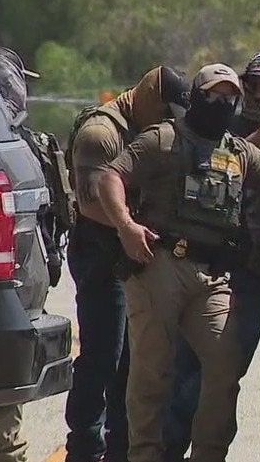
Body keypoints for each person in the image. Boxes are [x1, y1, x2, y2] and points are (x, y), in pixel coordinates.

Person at [95, 63, 260, 462]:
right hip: (160, 264)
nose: (222, 103)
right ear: (197, 97)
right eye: (214, 95)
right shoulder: (163, 140)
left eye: (229, 97)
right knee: (153, 374)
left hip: (213, 275)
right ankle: (145, 455)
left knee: (223, 368)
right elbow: (111, 178)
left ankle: (209, 453)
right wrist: (126, 226)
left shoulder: (239, 152)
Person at [162, 51, 260, 462]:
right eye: (253, 87)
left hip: (249, 276)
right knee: (182, 375)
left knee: (224, 377)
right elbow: (205, 171)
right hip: (202, 264)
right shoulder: (217, 129)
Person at [65, 65, 189, 462]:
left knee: (133, 360)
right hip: (101, 255)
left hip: (132, 253)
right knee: (104, 355)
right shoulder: (101, 133)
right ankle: (84, 446)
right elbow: (88, 202)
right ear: (149, 94)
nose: (169, 121)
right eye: (166, 111)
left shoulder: (148, 128)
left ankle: (120, 447)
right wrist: (131, 225)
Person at [0, 46, 72, 462]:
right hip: (8, 284)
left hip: (13, 283)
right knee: (2, 393)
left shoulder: (17, 147)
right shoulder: (11, 150)